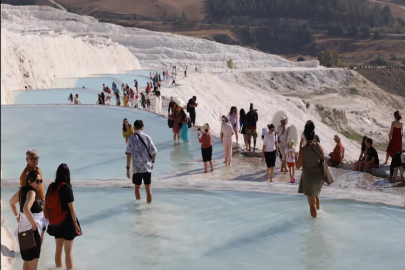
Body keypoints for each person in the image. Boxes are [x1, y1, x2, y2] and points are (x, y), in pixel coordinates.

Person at [45, 164, 82, 270]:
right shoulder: (66, 187)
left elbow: (46, 205)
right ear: (67, 175)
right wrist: (75, 224)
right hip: (67, 222)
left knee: (58, 251)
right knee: (68, 252)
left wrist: (47, 219)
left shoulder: (51, 186)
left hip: (55, 222)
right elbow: (71, 208)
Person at [9, 171, 46, 270]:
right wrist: (34, 225)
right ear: (29, 181)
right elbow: (26, 209)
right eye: (37, 181)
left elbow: (11, 202)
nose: (40, 184)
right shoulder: (31, 192)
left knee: (26, 262)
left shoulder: (22, 191)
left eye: (41, 181)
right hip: (31, 234)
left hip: (23, 233)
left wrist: (17, 217)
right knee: (33, 266)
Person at [296, 121, 325, 218]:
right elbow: (322, 160)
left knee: (311, 204)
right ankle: (319, 213)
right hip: (319, 177)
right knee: (316, 196)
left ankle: (314, 225)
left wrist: (297, 156)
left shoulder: (303, 150)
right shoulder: (319, 146)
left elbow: (298, 166)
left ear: (304, 136)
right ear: (314, 135)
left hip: (309, 177)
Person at [126, 120, 157, 203]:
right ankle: (149, 209)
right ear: (142, 128)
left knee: (137, 188)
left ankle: (138, 208)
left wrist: (128, 168)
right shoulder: (147, 137)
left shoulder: (131, 139)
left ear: (134, 128)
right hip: (147, 167)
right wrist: (152, 162)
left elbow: (129, 153)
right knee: (148, 189)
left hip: (137, 168)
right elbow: (154, 152)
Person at [20, 149, 46, 243]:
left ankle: (39, 252)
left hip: (41, 203)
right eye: (32, 159)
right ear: (27, 160)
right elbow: (23, 193)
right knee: (32, 232)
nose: (35, 160)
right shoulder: (25, 174)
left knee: (42, 229)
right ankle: (30, 252)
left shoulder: (38, 169)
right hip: (32, 205)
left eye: (36, 158)